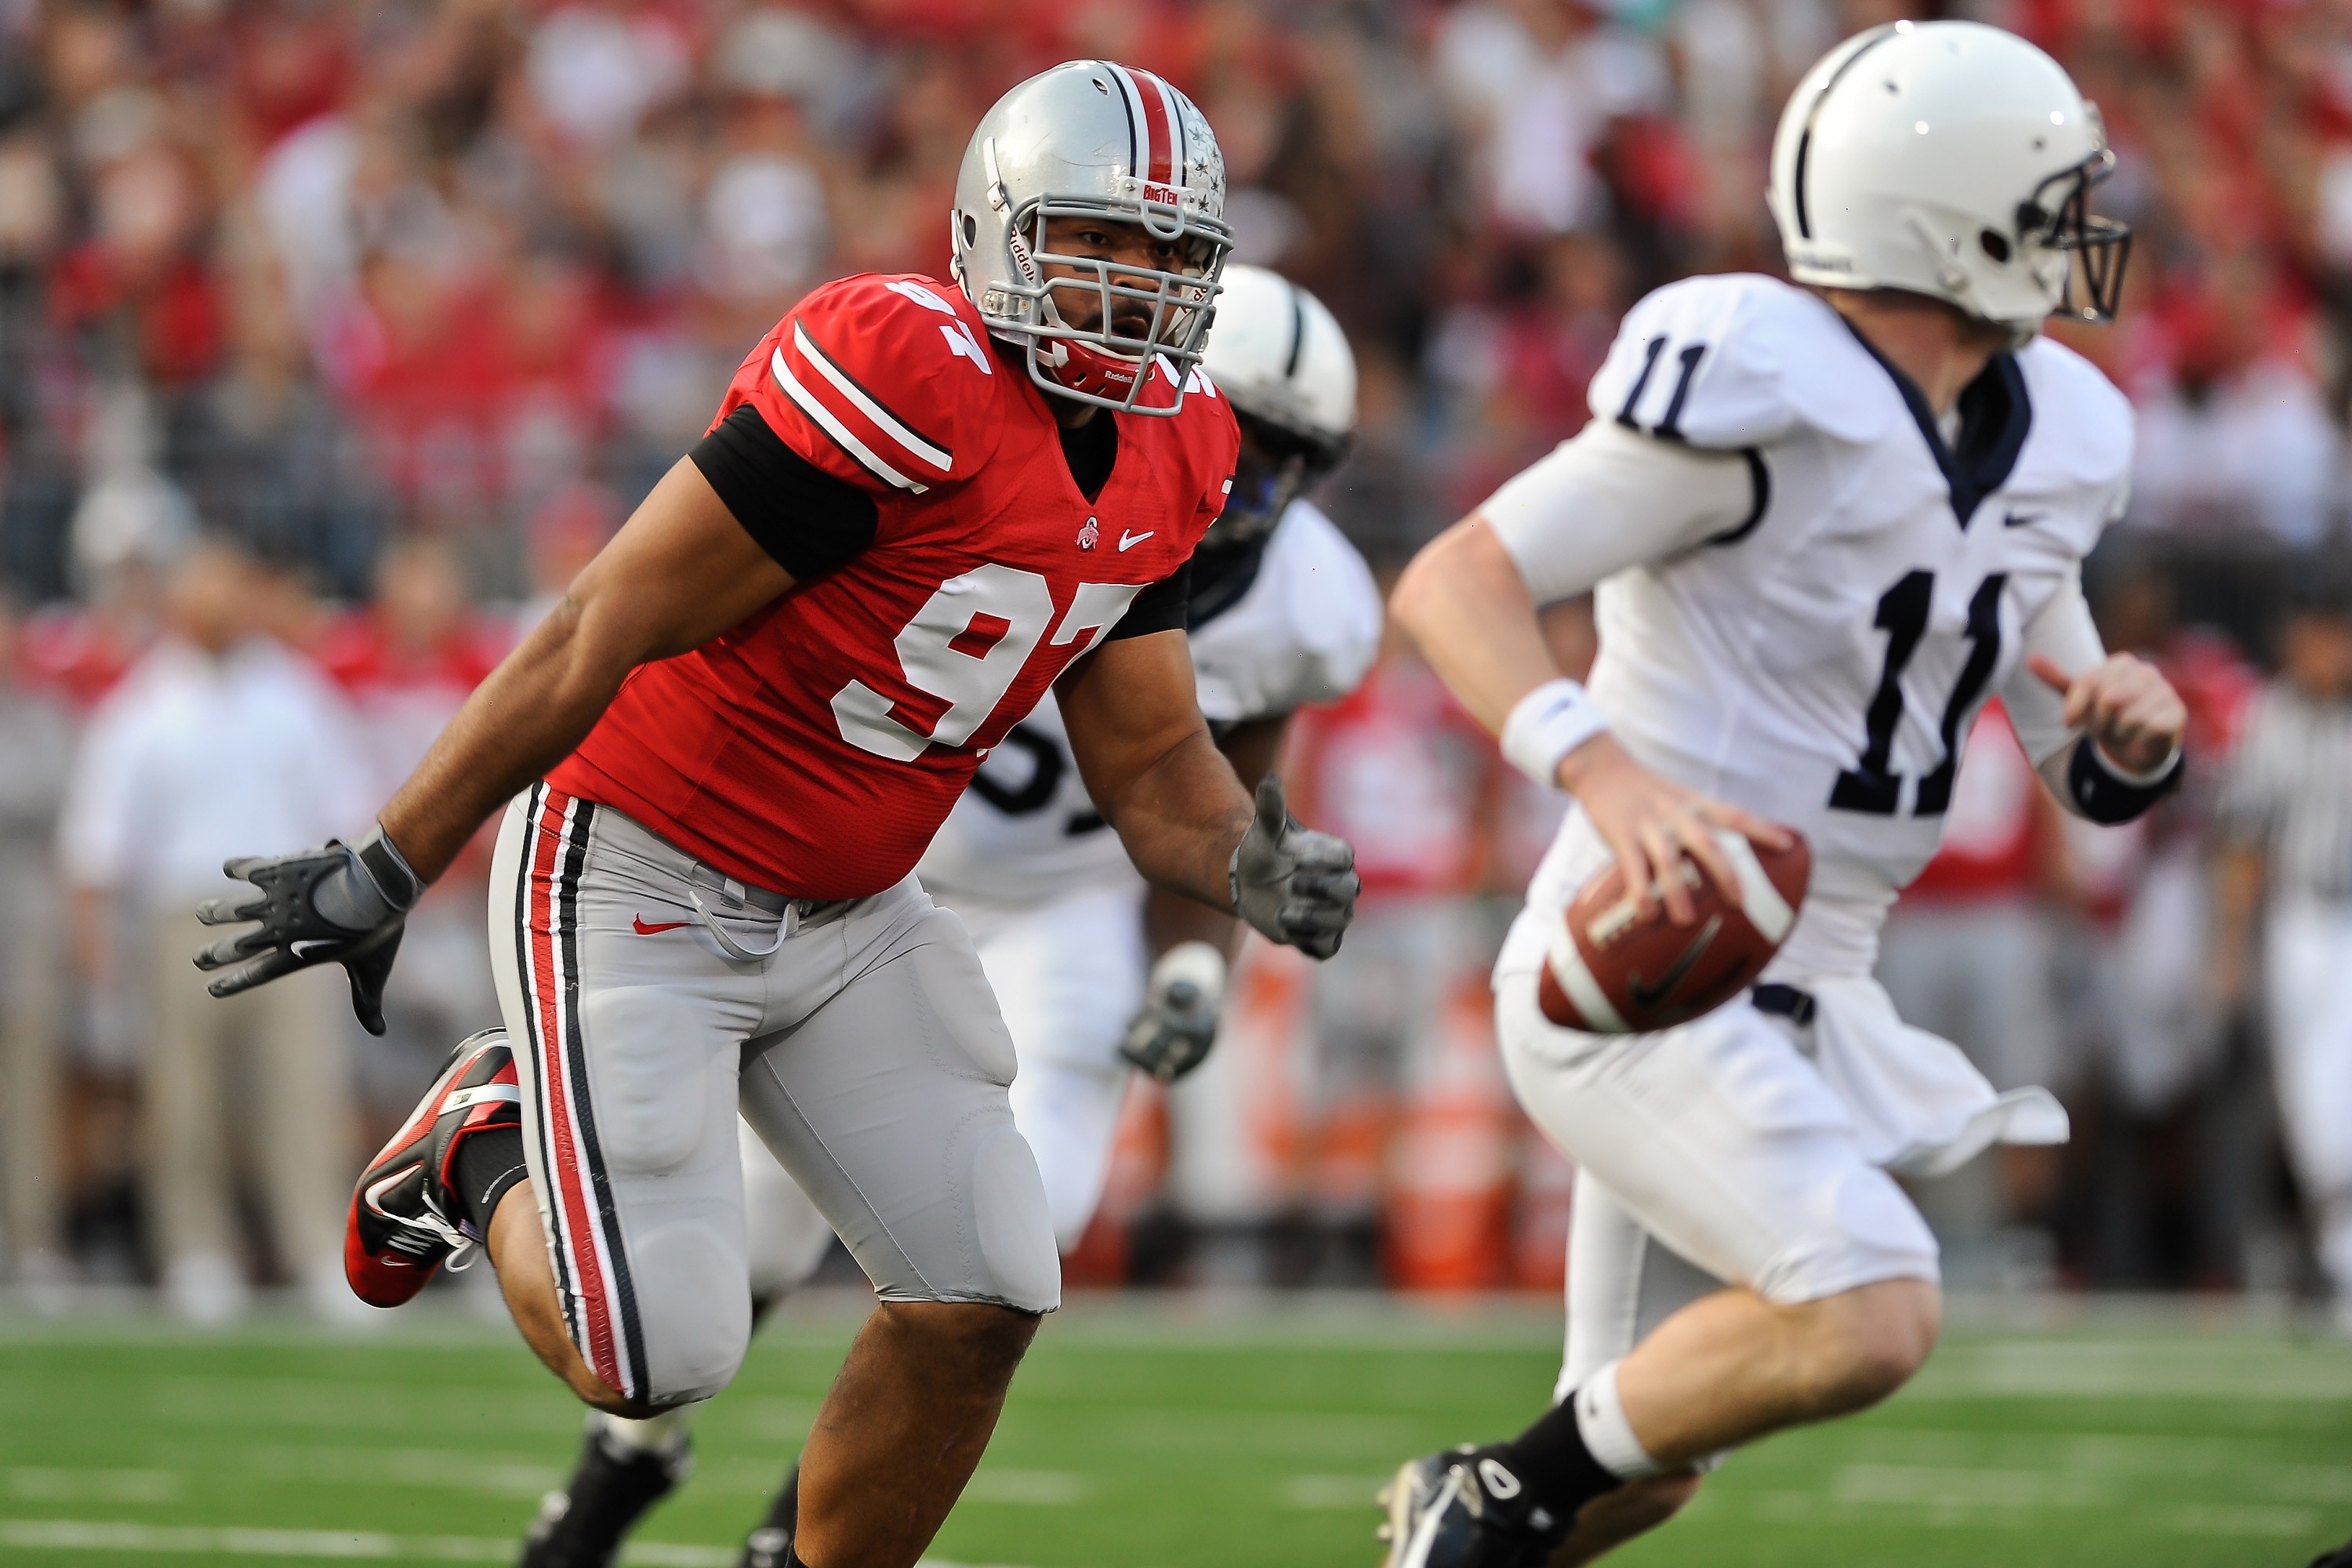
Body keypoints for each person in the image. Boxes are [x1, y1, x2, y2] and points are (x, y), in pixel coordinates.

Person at [189, 60, 1357, 1568]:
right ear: (998, 228)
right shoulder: (900, 367)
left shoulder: (1180, 444)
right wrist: (392, 857)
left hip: (859, 913)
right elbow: (598, 622)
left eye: (1172, 259)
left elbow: (1150, 767)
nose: (1135, 290)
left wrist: (1238, 868)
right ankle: (477, 1147)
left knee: (988, 1288)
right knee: (657, 1361)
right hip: (641, 866)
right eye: (1099, 242)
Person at [1376, 22, 2184, 1566]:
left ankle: (1488, 1516)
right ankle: (1487, 1491)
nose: (2084, 230)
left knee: (1648, 1462)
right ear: (1954, 217)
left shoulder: (2052, 433)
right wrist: (1600, 771)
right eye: (2053, 195)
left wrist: (2125, 734)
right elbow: (1455, 577)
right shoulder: (1764, 388)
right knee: (1871, 1308)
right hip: (1644, 961)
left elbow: (2071, 736)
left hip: (1814, 978)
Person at [515, 262, 1385, 1568]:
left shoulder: (1308, 601)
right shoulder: (1021, 472)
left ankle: (788, 1533)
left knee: (1019, 1230)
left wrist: (1200, 963)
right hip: (872, 874)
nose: (1250, 485)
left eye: (1289, 460)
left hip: (1067, 909)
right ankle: (625, 1462)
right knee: (742, 1230)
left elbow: (1223, 791)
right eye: (1242, 438)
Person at [60, 534, 375, 1323]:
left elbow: (348, 814)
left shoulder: (296, 693)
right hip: (182, 915)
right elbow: (99, 841)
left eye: (228, 590)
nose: (216, 607)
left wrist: (349, 923)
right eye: (202, 592)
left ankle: (314, 1247)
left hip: (289, 908)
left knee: (298, 1088)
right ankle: (197, 1249)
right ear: (179, 603)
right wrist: (97, 944)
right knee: (185, 1095)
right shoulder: (143, 704)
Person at [2212, 564, 2352, 1319]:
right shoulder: (2271, 714)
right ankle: (2336, 1252)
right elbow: (2244, 839)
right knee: (2310, 1097)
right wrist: (2229, 954)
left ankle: (2338, 1254)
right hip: (2301, 922)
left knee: (2341, 1090)